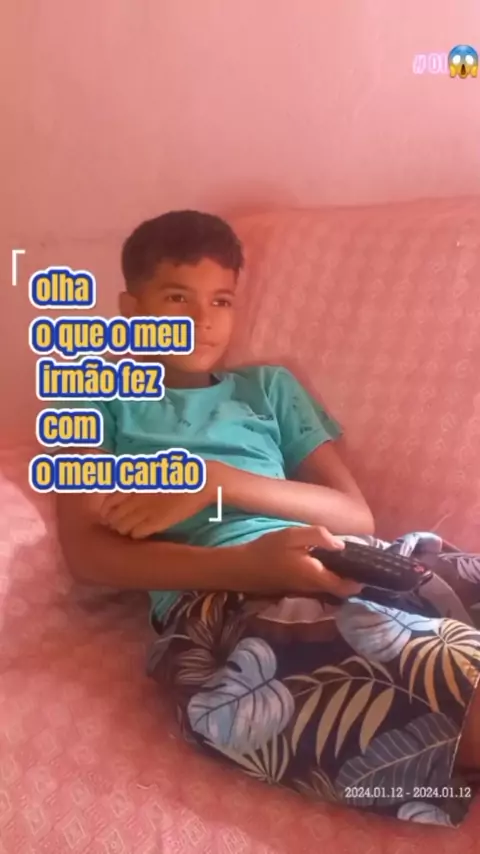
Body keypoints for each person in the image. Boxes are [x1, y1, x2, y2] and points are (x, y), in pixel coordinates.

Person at [56, 210, 480, 828]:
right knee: (441, 681)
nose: (203, 318)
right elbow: (87, 555)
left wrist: (212, 482)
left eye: (221, 300)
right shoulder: (95, 398)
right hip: (222, 603)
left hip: (345, 555)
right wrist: (249, 567)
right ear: (131, 307)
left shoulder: (267, 390)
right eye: (177, 297)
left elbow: (354, 512)